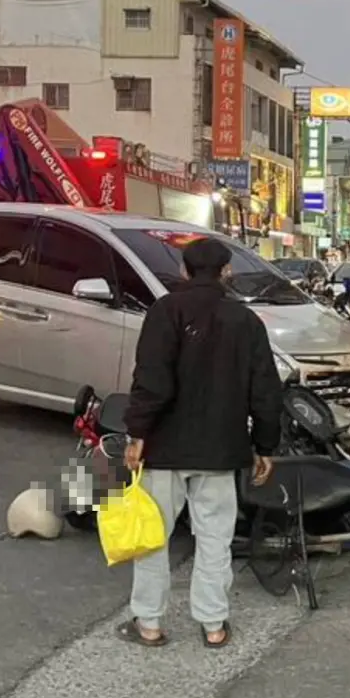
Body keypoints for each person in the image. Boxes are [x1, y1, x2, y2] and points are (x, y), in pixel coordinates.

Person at [118, 238, 283, 649]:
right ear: (227, 271)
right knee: (215, 538)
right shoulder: (246, 321)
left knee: (152, 537)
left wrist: (137, 433)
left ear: (185, 271)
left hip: (164, 448)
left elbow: (151, 381)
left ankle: (149, 623)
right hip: (220, 448)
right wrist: (265, 444)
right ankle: (213, 624)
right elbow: (265, 390)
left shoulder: (164, 312)